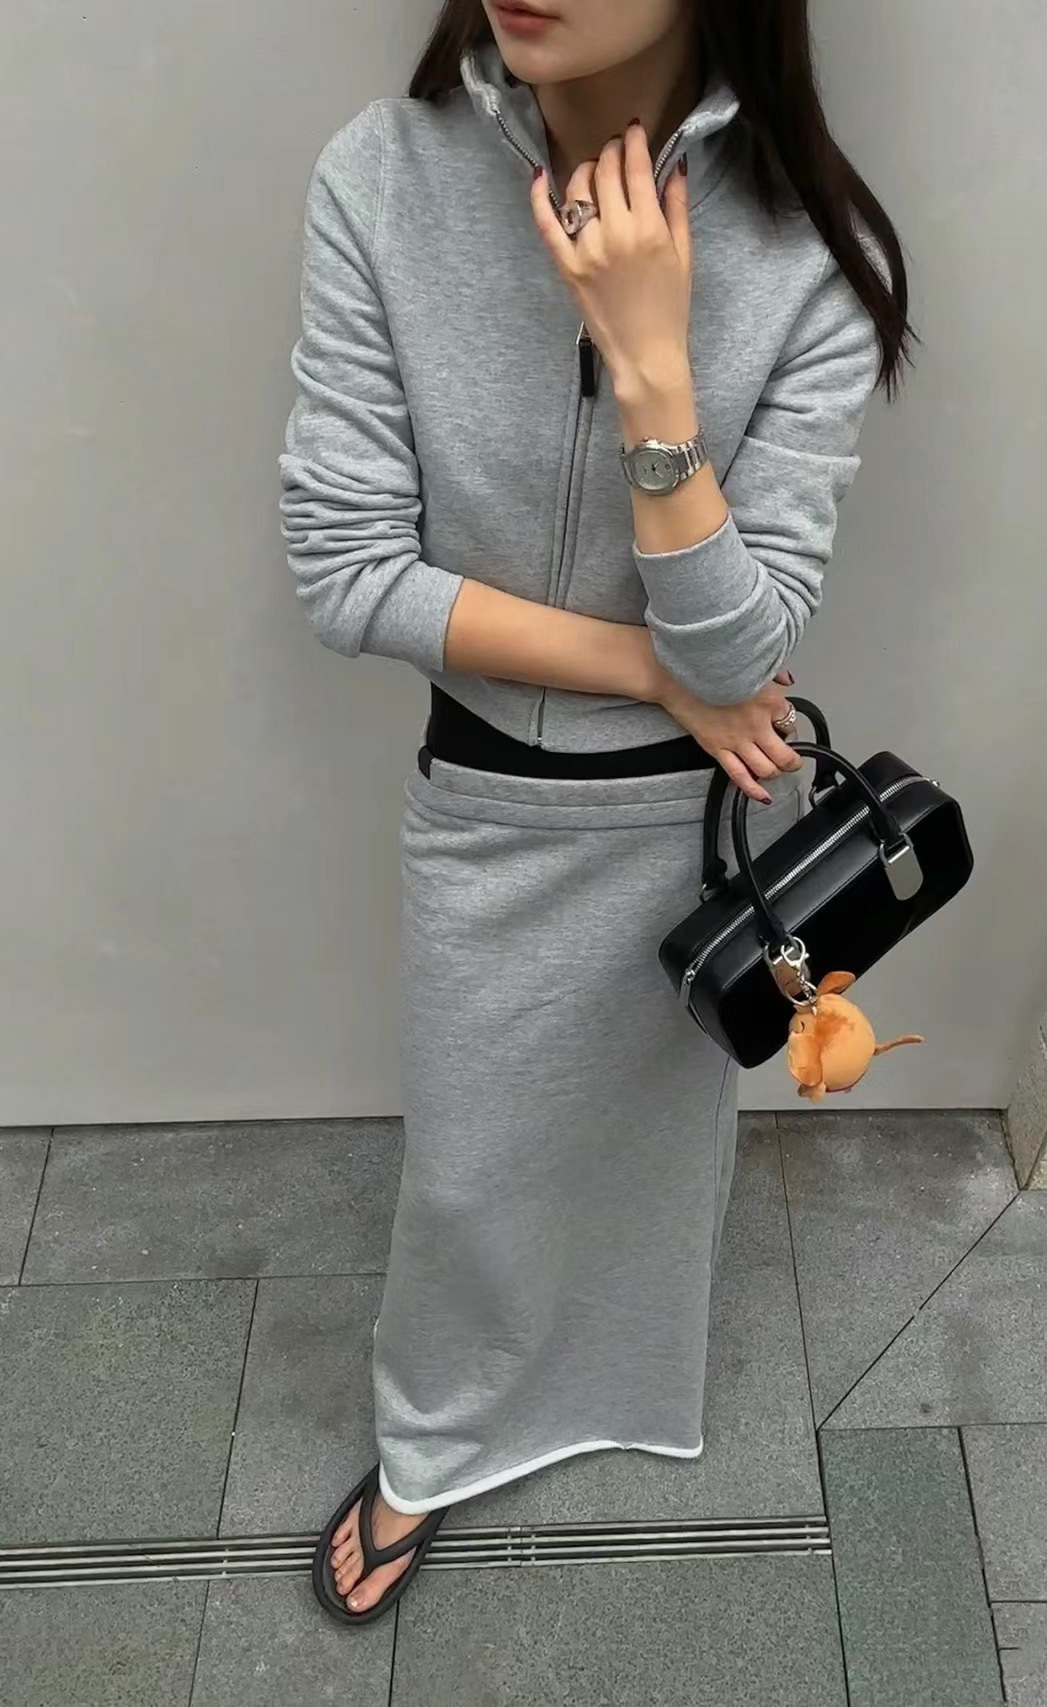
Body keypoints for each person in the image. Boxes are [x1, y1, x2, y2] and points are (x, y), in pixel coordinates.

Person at [280, 0, 910, 1624]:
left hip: (699, 835)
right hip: (489, 802)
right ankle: (435, 1432)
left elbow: (748, 653)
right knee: (468, 1169)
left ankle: (624, 1379)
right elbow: (346, 572)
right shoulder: (387, 179)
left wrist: (649, 369)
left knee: (653, 1154)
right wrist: (650, 673)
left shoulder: (812, 256)